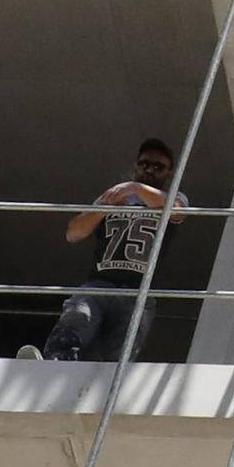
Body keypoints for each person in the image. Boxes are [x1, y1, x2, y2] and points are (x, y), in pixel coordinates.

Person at [27, 137, 178, 361]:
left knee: (118, 352)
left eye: (158, 167)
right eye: (145, 164)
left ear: (169, 173)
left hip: (138, 291)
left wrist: (134, 187)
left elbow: (177, 211)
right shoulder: (113, 196)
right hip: (100, 283)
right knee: (77, 318)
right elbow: (74, 233)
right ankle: (56, 362)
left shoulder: (173, 198)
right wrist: (104, 208)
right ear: (136, 165)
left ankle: (102, 391)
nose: (150, 171)